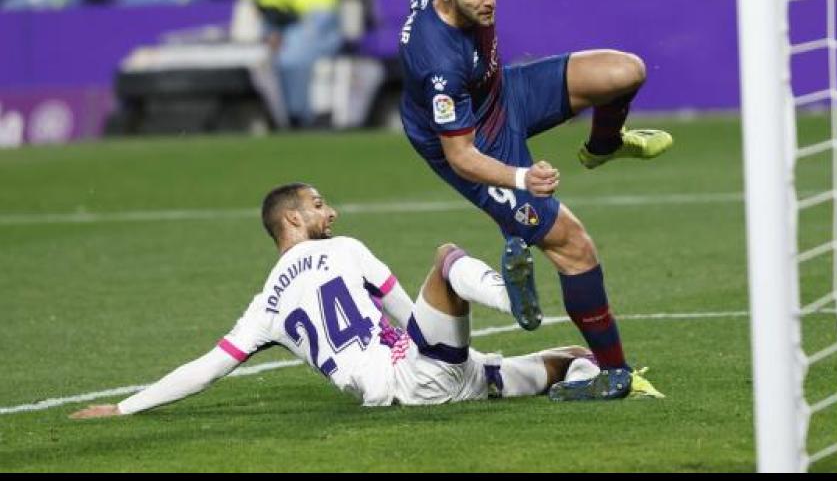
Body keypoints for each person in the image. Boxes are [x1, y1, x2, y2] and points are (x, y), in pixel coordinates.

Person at [398, 0, 673, 400]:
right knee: (574, 245)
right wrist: (523, 178)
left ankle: (604, 146)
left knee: (624, 71)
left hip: (502, 93)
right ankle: (613, 373)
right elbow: (462, 154)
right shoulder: (435, 59)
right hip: (470, 141)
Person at [68, 182, 635, 419]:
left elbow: (206, 369)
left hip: (426, 379)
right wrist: (447, 341)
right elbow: (409, 318)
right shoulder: (346, 248)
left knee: (564, 359)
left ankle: (564, 366)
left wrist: (124, 407)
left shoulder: (265, 305)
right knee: (445, 258)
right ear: (293, 218)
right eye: (318, 204)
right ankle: (515, 302)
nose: (329, 212)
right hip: (413, 375)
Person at [255, 0, 343, 127]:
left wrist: (293, 31)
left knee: (293, 57)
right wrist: (272, 32)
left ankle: (299, 114)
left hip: (322, 34)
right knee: (270, 58)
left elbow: (324, 17)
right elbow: (272, 13)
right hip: (290, 35)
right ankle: (283, 113)